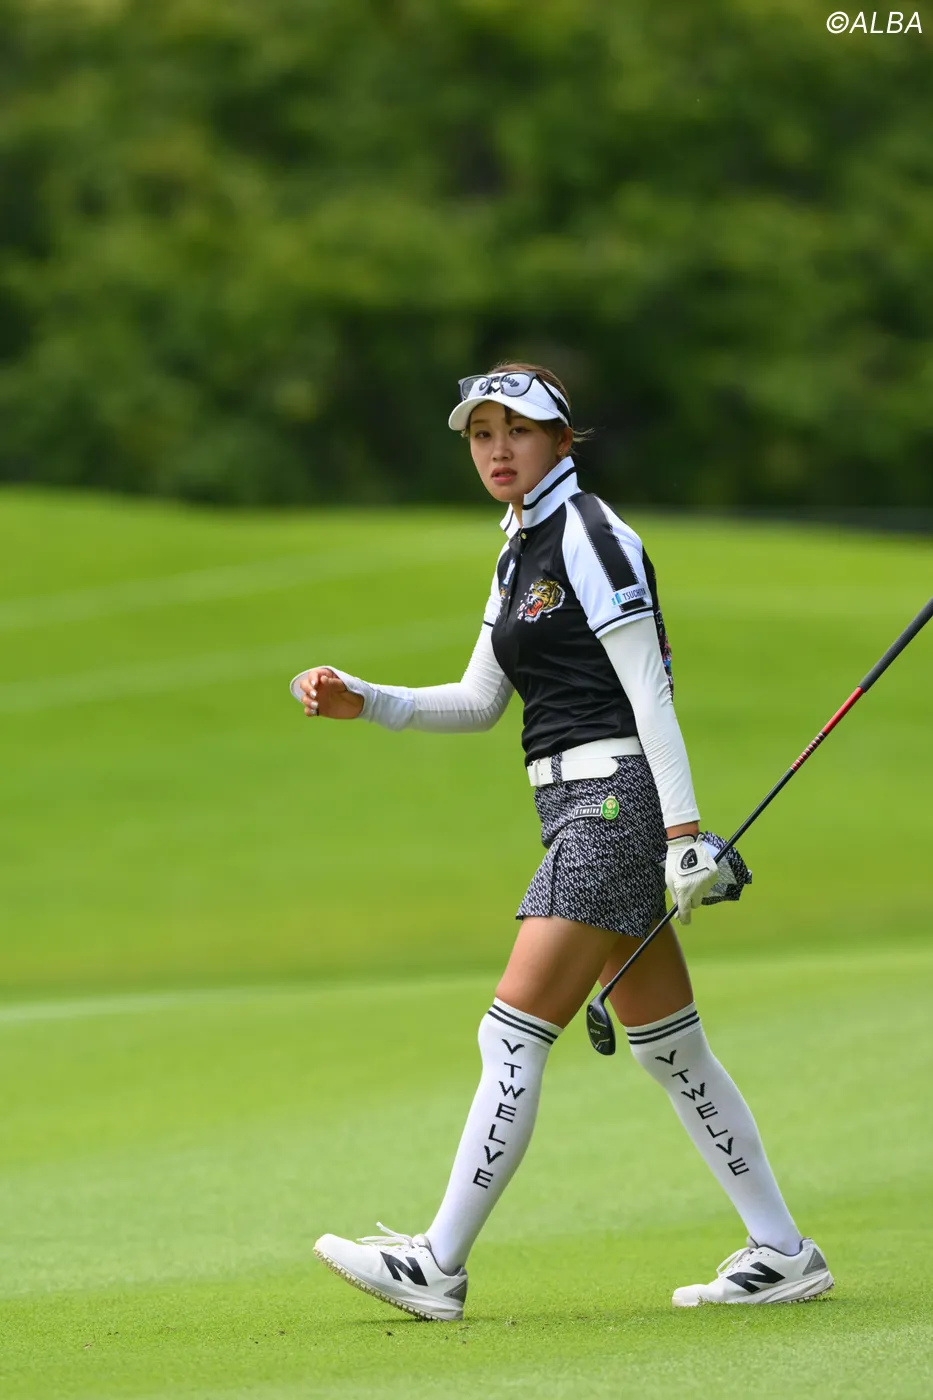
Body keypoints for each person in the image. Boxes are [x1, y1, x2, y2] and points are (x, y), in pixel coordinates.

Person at [291, 363, 832, 1318]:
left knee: (509, 1033)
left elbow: (648, 689)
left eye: (518, 431)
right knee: (670, 1049)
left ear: (559, 439)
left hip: (613, 804)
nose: (497, 450)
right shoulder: (517, 551)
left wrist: (683, 833)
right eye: (481, 434)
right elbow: (478, 701)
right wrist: (366, 700)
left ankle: (437, 1263)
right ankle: (782, 1252)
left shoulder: (588, 532)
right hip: (575, 806)